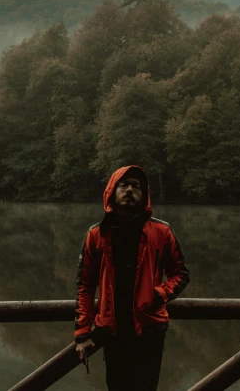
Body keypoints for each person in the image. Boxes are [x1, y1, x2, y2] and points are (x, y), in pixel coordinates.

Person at [74, 165, 190, 391]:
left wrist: (159, 294)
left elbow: (181, 274)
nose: (129, 190)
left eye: (136, 186)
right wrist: (82, 334)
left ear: (144, 194)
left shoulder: (161, 231)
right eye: (123, 185)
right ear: (111, 191)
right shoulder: (96, 234)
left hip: (149, 331)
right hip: (111, 332)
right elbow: (85, 285)